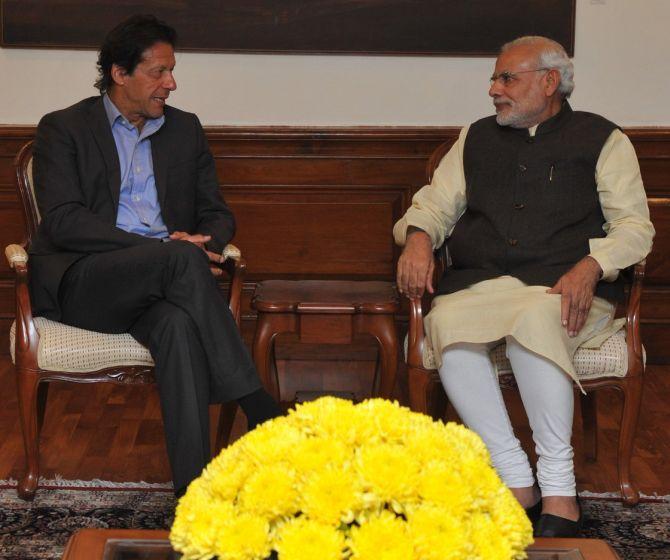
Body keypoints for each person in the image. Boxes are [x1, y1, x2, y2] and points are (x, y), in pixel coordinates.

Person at [394, 36, 654, 537]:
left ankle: (559, 490)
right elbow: (433, 205)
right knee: (445, 322)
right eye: (495, 78)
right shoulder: (474, 138)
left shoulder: (603, 139)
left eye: (506, 78)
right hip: (482, 284)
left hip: (564, 290)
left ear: (549, 81)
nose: (493, 89)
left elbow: (634, 228)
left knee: (536, 319)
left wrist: (592, 264)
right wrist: (420, 239)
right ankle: (516, 479)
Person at [29, 14, 281, 497]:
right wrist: (162, 249)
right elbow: (62, 221)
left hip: (166, 284)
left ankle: (194, 497)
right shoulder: (64, 128)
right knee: (179, 260)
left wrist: (201, 240)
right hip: (87, 282)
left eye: (171, 71)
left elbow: (217, 212)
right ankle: (259, 406)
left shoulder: (184, 129)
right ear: (120, 74)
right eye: (158, 72)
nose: (172, 83)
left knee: (178, 327)